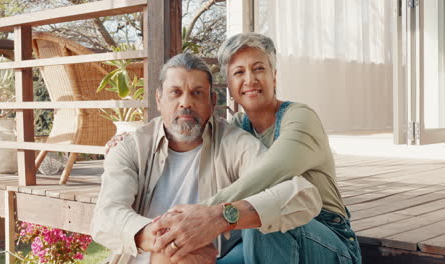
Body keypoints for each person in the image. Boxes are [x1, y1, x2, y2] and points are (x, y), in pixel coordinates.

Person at [147, 33, 362, 264]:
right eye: (239, 72)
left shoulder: (300, 118)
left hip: (328, 242)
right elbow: (193, 139)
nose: (250, 79)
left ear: (274, 77)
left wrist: (203, 214)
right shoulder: (238, 127)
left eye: (258, 69)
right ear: (229, 85)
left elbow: (269, 175)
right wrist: (135, 141)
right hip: (259, 240)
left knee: (265, 212)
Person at [90, 52, 323, 264]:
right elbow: (106, 215)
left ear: (212, 101)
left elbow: (302, 194)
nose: (186, 103)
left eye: (197, 93)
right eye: (175, 93)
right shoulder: (132, 147)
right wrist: (167, 240)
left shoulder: (234, 143)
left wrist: (220, 217)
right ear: (159, 99)